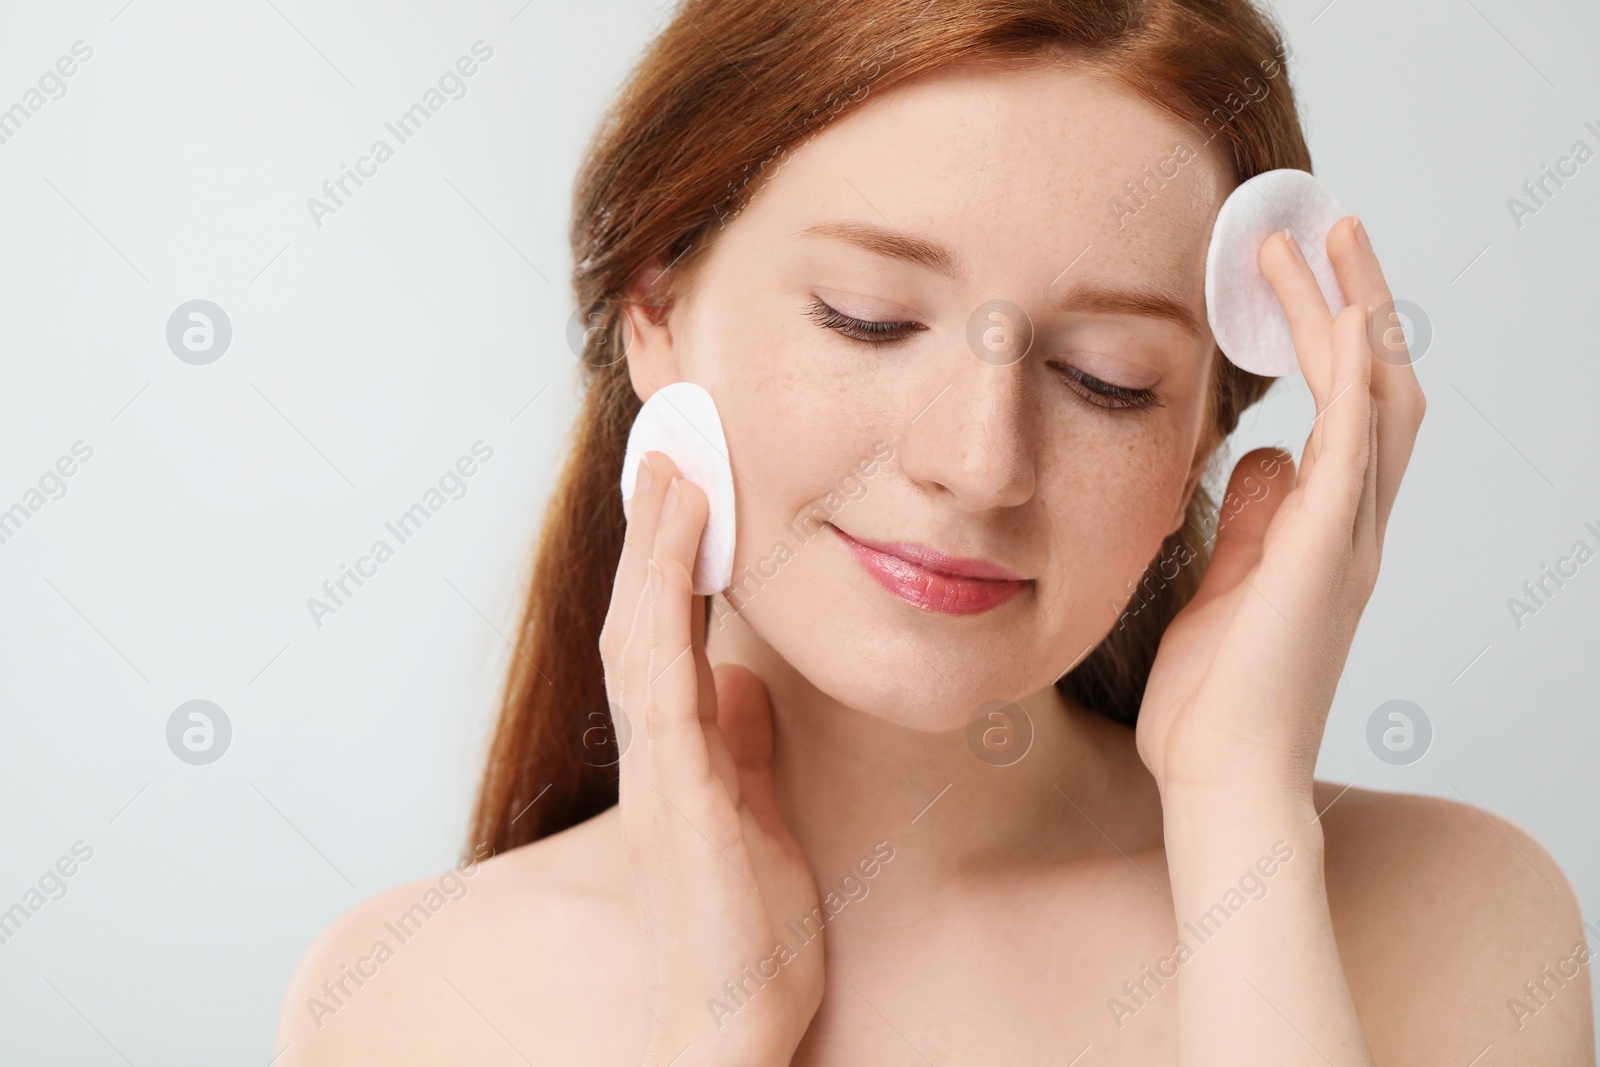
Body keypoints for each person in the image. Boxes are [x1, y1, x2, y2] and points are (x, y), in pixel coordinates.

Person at [276, 0, 1594, 1062]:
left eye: (1109, 380)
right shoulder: (410, 1001)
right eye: (866, 317)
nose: (977, 465)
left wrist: (1242, 833)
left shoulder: (1457, 917)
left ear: (1206, 432)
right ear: (656, 311)